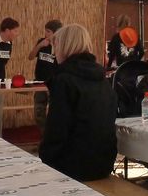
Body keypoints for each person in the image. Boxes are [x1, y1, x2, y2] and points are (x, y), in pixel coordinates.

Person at [39, 23, 117, 181]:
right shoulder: (102, 78)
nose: (54, 52)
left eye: (56, 46)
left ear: (64, 47)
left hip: (72, 164)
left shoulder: (64, 80)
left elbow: (57, 128)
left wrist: (45, 159)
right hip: (104, 162)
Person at [29, 19, 62, 136]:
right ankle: (44, 135)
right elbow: (30, 57)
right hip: (39, 82)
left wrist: (56, 48)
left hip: (54, 83)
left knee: (55, 112)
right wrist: (39, 46)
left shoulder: (61, 45)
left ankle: (53, 136)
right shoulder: (41, 42)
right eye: (45, 31)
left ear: (56, 33)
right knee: (38, 112)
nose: (45, 34)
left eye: (48, 31)